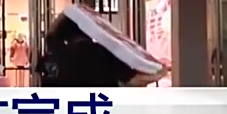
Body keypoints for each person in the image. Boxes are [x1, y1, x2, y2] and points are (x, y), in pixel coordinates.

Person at [36, 15, 167, 87]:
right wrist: (159, 73)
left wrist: (70, 12)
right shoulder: (102, 53)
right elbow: (133, 80)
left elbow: (51, 33)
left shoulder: (53, 54)